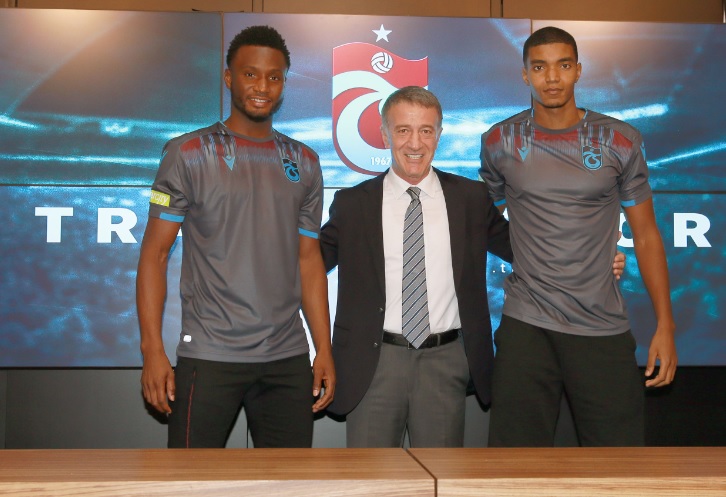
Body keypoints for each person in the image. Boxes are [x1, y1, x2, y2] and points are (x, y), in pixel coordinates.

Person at [320, 86, 624, 447]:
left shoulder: (470, 198)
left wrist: (593, 260)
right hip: (372, 364)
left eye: (426, 130)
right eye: (403, 130)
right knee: (372, 477)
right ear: (385, 135)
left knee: (441, 475)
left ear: (439, 135)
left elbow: (528, 250)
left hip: (445, 362)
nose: (415, 143)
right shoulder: (352, 204)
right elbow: (310, 264)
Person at [136, 25, 335, 448]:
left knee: (288, 480)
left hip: (287, 358)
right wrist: (152, 349)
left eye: (274, 76)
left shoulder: (305, 162)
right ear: (229, 77)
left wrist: (324, 348)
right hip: (209, 355)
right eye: (250, 74)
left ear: (284, 83)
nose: (262, 86)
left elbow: (308, 260)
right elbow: (155, 254)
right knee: (191, 480)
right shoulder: (187, 153)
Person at [480, 26, 677, 447]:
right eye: (540, 67)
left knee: (618, 466)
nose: (552, 77)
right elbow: (482, 222)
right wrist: (528, 256)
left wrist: (666, 325)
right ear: (525, 75)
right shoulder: (499, 141)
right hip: (527, 324)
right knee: (513, 466)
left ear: (578, 70)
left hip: (601, 326)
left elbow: (646, 235)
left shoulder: (619, 139)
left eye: (563, 65)